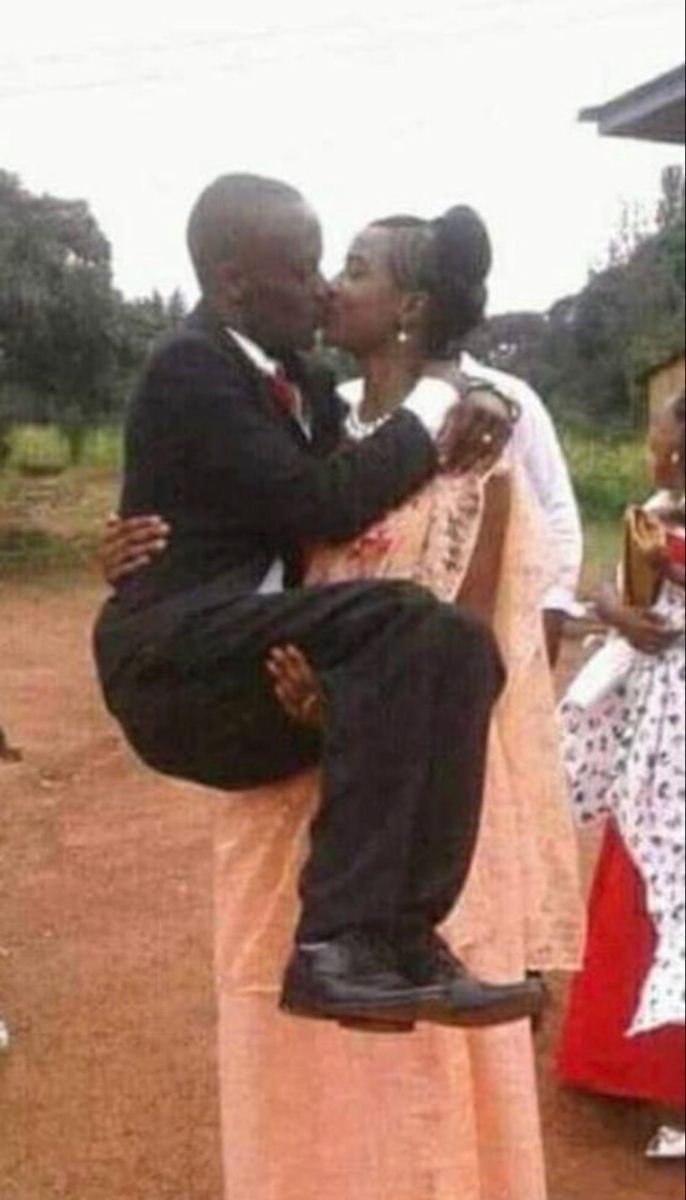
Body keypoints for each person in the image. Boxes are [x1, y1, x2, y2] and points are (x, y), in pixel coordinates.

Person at [104, 203, 583, 1200]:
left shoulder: (466, 437)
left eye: (348, 268)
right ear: (238, 280)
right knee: (286, 1043)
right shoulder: (310, 416)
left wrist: (352, 708)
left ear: (408, 306)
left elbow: (475, 645)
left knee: (406, 1062)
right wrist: (133, 554)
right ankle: (342, 956)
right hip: (281, 768)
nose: (326, 286)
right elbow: (267, 511)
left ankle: (388, 939)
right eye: (317, 266)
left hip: (402, 790)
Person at [558, 392, 686, 1160]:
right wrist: (621, 603)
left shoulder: (662, 524)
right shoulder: (654, 512)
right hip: (657, 733)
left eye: (666, 441)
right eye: (654, 441)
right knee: (641, 873)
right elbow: (613, 593)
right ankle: (619, 1059)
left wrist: (666, 559)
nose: (656, 453)